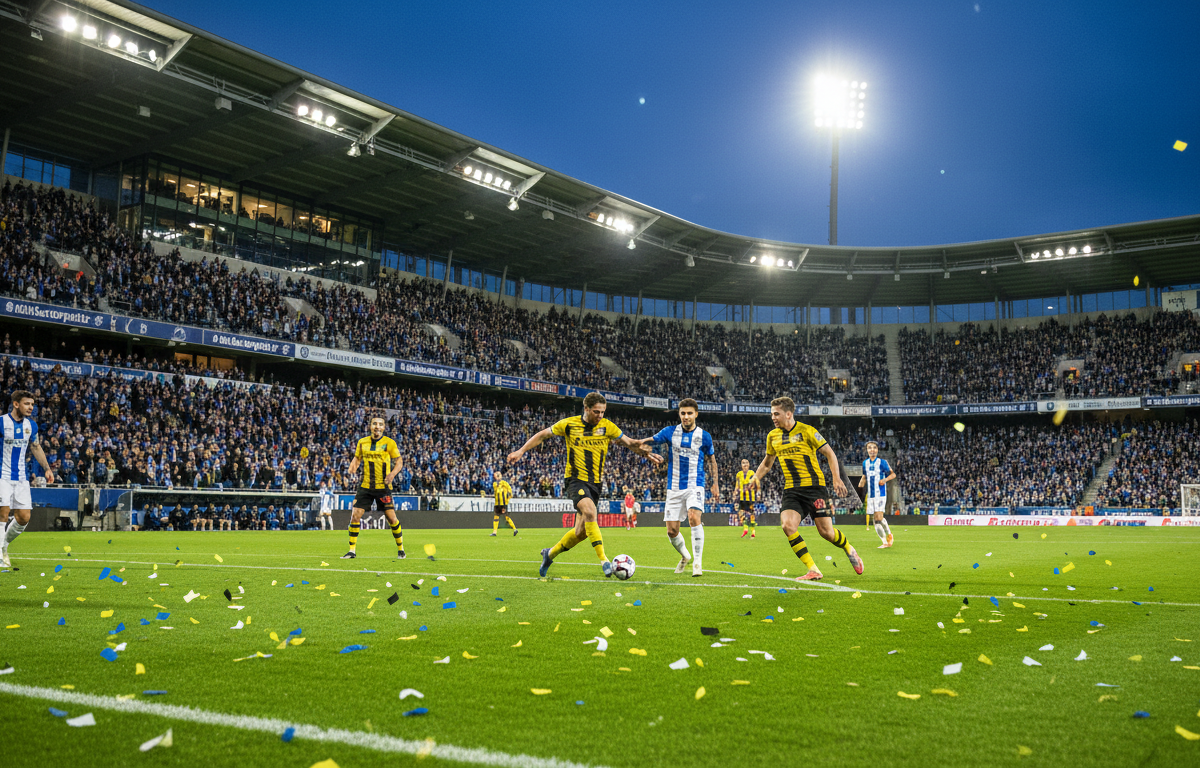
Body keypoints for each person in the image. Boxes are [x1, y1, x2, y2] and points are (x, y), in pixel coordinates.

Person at [508, 392, 661, 578]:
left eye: (603, 412)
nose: (600, 416)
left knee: (581, 532)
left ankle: (549, 554)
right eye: (596, 412)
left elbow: (629, 442)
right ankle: (604, 560)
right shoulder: (569, 424)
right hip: (575, 479)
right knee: (590, 512)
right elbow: (542, 435)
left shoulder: (607, 426)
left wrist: (645, 453)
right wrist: (521, 450)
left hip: (595, 483)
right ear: (586, 409)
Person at [752, 396, 863, 581]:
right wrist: (755, 477)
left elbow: (830, 453)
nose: (773, 417)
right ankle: (813, 569)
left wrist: (836, 478)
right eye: (772, 414)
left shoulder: (808, 431)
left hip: (815, 489)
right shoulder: (772, 436)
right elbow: (767, 462)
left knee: (827, 533)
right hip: (792, 491)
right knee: (787, 525)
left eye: (776, 414)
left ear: (788, 414)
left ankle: (849, 548)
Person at [641, 399, 718, 577]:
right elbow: (650, 441)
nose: (686, 416)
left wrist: (715, 483)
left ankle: (698, 563)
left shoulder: (704, 436)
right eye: (683, 413)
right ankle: (686, 557)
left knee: (693, 516)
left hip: (695, 484)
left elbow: (712, 460)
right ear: (679, 414)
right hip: (674, 487)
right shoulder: (670, 432)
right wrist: (636, 444)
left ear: (696, 414)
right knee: (672, 531)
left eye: (689, 413)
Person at [1, 390, 55, 568]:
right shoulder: (2, 422)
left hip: (21, 478)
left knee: (24, 517)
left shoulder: (31, 426)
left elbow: (35, 446)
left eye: (32, 404)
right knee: (3, 513)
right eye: (27, 404)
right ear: (16, 404)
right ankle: (0, 557)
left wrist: (47, 469)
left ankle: (4, 546)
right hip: (2, 475)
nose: (31, 407)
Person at [341, 416, 405, 560]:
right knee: (355, 516)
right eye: (374, 423)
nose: (377, 426)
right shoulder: (362, 442)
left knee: (392, 519)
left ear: (384, 427)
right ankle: (352, 551)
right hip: (365, 486)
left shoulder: (389, 443)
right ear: (370, 426)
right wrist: (353, 467)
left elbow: (399, 461)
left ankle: (401, 549)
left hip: (383, 487)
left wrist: (393, 474)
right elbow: (357, 458)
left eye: (380, 424)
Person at [859, 441, 897, 548]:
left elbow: (893, 474)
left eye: (874, 448)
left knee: (878, 519)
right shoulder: (864, 463)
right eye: (869, 448)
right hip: (870, 495)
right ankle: (887, 538)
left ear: (877, 450)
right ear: (867, 450)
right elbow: (864, 475)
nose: (872, 450)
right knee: (876, 520)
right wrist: (861, 484)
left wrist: (885, 479)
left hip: (880, 494)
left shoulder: (882, 462)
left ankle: (887, 539)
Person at [736, 458, 760, 538]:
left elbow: (757, 484)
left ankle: (753, 532)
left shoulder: (752, 473)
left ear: (749, 465)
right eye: (743, 463)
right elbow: (737, 485)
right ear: (741, 465)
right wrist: (735, 492)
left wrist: (758, 493)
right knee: (741, 514)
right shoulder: (739, 474)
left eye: (746, 463)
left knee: (751, 515)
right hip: (742, 498)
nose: (745, 464)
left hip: (751, 498)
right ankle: (745, 530)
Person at [490, 470, 517, 536]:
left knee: (506, 516)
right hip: (497, 503)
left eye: (498, 475)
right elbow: (497, 490)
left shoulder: (504, 483)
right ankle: (494, 532)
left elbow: (510, 492)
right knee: (496, 517)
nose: (497, 476)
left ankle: (515, 529)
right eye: (497, 475)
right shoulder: (495, 484)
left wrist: (508, 499)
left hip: (503, 503)